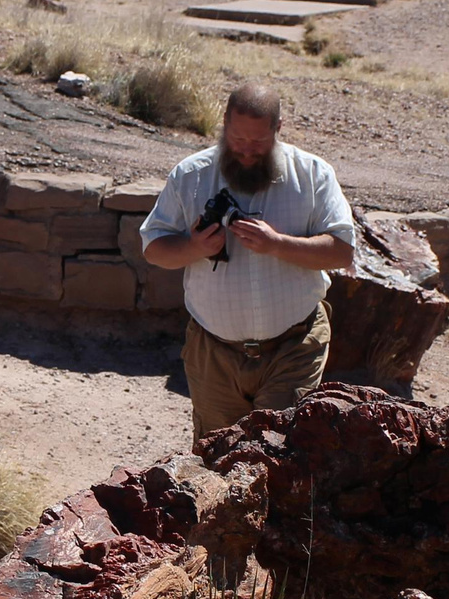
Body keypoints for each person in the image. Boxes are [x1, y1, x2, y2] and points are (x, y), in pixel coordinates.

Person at [141, 84, 355, 443]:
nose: (247, 150)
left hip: (293, 347)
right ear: (224, 124)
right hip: (214, 352)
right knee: (218, 456)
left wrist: (277, 244)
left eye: (258, 141)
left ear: (278, 128)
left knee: (277, 451)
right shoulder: (191, 176)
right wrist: (194, 247)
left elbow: (342, 251)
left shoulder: (313, 175)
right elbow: (154, 248)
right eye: (238, 138)